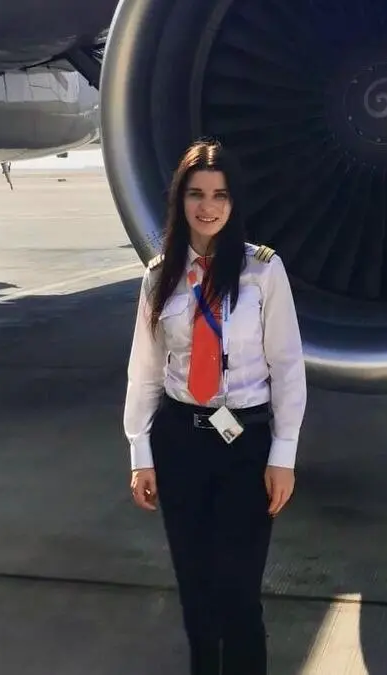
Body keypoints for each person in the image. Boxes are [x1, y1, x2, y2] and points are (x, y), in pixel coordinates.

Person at [123, 137, 307, 674]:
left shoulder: (263, 272)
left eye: (220, 195)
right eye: (196, 194)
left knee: (239, 595)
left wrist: (283, 455)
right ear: (180, 200)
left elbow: (287, 366)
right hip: (180, 439)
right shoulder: (159, 276)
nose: (208, 207)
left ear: (234, 202)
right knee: (195, 593)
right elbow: (145, 370)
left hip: (245, 442)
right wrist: (140, 453)